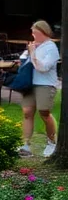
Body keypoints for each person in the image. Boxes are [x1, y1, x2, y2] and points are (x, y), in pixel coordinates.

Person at [19, 20, 60, 157]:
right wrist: (28, 54)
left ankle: (51, 142)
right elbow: (23, 60)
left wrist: (33, 53)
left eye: (35, 33)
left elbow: (43, 68)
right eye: (32, 33)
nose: (33, 35)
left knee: (44, 112)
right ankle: (25, 145)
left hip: (45, 84)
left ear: (43, 32)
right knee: (27, 112)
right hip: (30, 84)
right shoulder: (34, 46)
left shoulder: (51, 47)